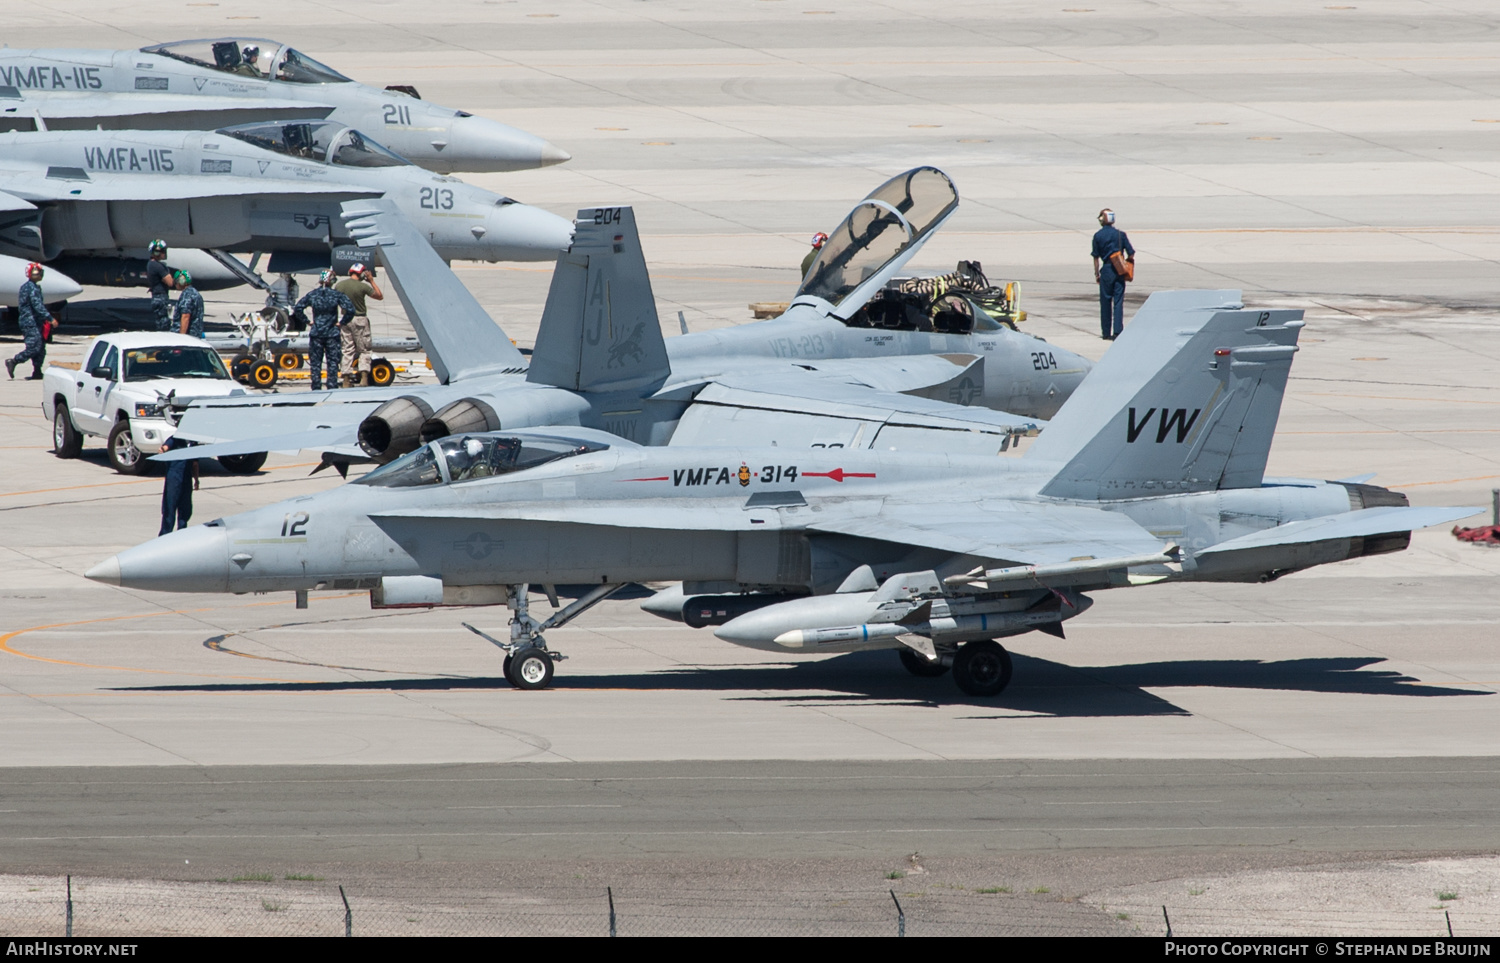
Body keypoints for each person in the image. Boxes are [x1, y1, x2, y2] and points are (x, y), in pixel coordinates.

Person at [292, 270, 355, 390]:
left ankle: (316, 386)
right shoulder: (336, 295)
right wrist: (342, 322)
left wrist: (308, 321)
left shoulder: (313, 294)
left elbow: (298, 308)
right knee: (332, 362)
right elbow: (350, 309)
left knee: (315, 363)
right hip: (332, 333)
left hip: (316, 333)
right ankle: (331, 385)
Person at [333, 263, 383, 387]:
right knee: (364, 349)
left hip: (345, 320)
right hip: (360, 319)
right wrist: (371, 280)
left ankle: (346, 379)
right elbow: (379, 296)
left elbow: (333, 301)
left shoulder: (339, 285)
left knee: (347, 349)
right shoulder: (363, 286)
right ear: (361, 273)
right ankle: (364, 378)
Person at [1090, 208, 1135, 340]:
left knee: (1105, 302)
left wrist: (1097, 274)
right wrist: (1126, 264)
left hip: (1107, 270)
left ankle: (1105, 332)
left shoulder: (1097, 236)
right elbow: (1131, 252)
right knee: (1118, 301)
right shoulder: (1121, 235)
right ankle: (1118, 331)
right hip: (1119, 271)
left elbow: (1096, 257)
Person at [6, 262, 53, 380]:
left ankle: (37, 371)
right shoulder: (30, 288)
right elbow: (37, 305)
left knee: (41, 348)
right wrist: (49, 318)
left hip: (36, 321)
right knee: (34, 347)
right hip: (29, 322)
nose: (39, 275)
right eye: (36, 272)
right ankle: (14, 361)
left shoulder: (35, 287)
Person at [158, 436, 199, 536]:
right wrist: (163, 449)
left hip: (186, 478)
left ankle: (182, 534)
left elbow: (195, 463)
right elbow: (166, 447)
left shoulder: (193, 443)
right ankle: (165, 535)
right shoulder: (175, 439)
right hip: (174, 477)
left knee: (185, 509)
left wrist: (196, 479)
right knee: (169, 508)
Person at [145, 240, 177, 333]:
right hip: (161, 298)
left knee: (160, 322)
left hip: (157, 297)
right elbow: (170, 282)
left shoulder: (151, 264)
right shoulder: (158, 266)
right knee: (163, 325)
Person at [174, 271, 205, 338]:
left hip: (188, 337)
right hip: (196, 336)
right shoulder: (196, 293)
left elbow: (185, 316)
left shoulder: (186, 295)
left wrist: (182, 338)